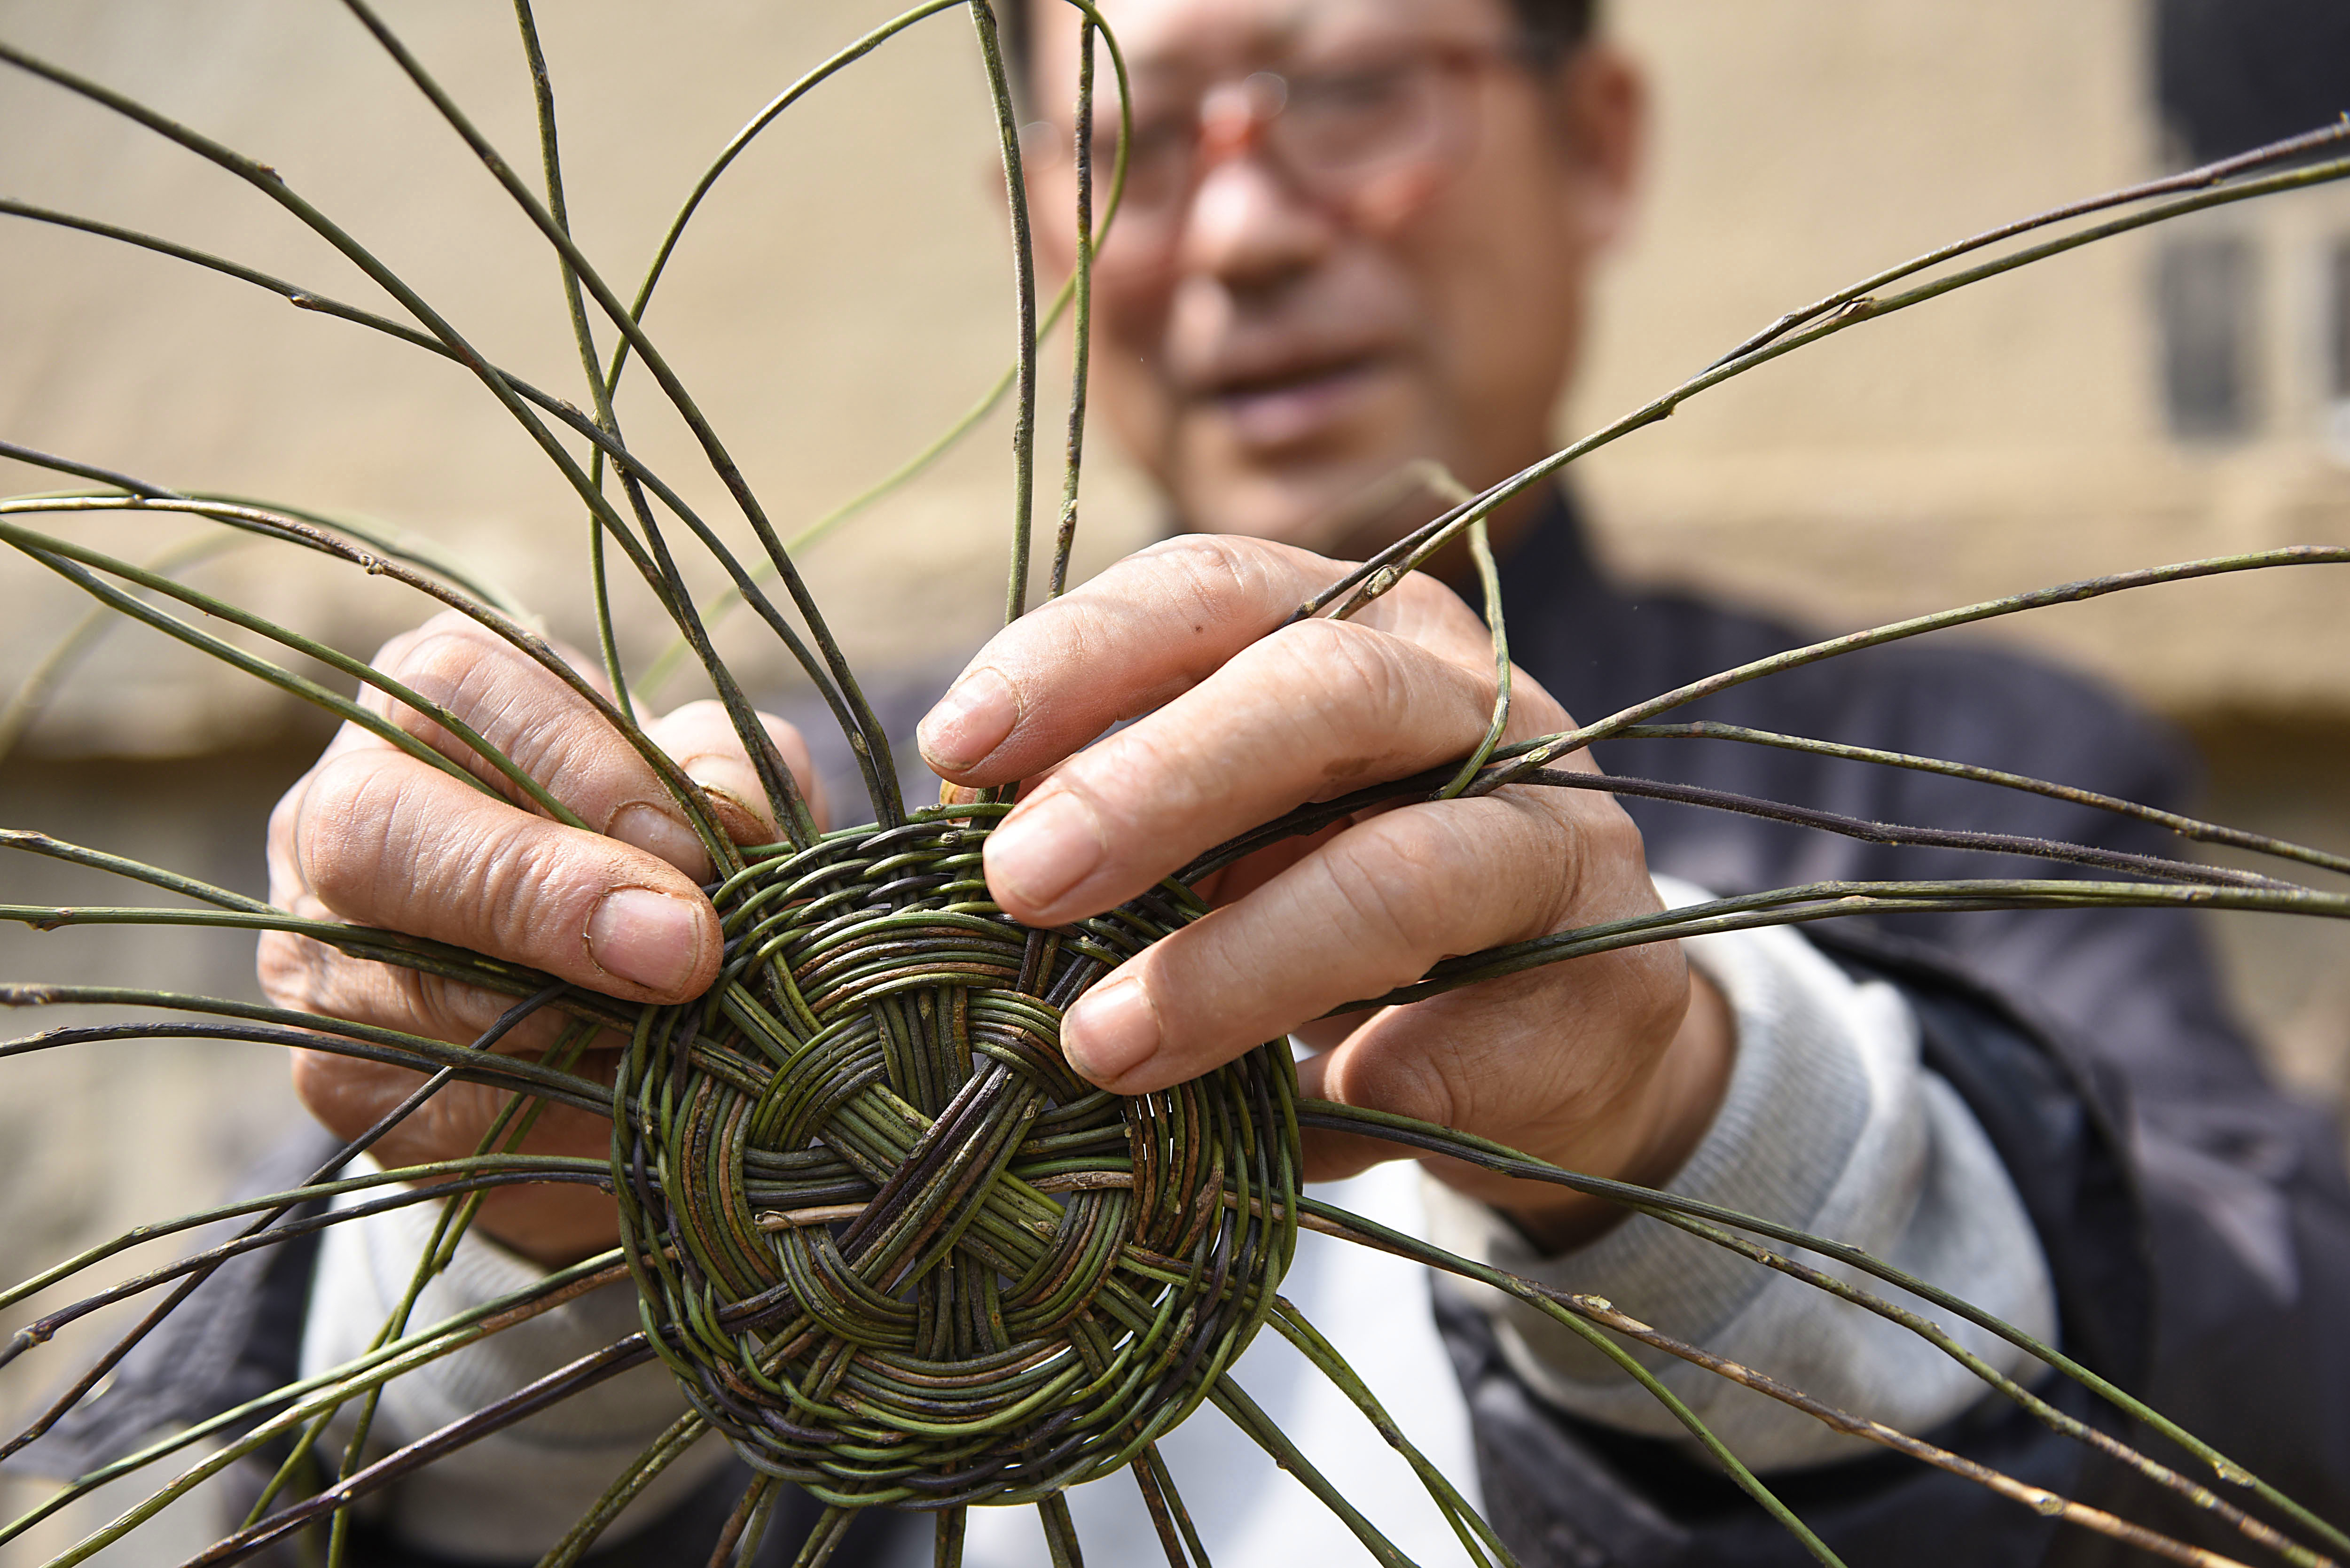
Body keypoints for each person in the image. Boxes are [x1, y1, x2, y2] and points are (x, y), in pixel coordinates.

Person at [43, 0, 2350, 1562]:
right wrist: (533, 1217)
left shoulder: (1961, 770)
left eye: (1344, 90)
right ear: (1032, 219)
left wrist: (1699, 1108)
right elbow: (261, 1467)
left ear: (1593, 141)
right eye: (1133, 138)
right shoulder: (795, 832)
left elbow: (2273, 1388)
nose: (1240, 230)